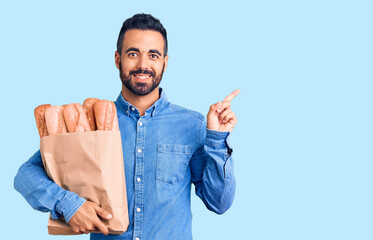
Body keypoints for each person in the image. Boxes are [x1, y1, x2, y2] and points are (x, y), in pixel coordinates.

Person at [14, 13, 239, 240]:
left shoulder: (192, 125)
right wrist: (69, 204)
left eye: (153, 55)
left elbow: (218, 203)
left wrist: (217, 139)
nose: (143, 65)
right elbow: (25, 174)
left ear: (165, 62)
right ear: (117, 59)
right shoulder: (90, 122)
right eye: (133, 54)